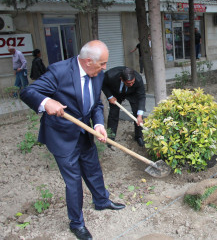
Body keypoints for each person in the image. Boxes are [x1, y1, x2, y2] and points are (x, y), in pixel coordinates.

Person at [20, 40, 125, 240]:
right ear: (87, 61)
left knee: (93, 168)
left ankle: (101, 201)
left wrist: (98, 124)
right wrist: (46, 101)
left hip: (84, 133)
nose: (105, 68)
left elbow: (95, 104)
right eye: (102, 64)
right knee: (74, 181)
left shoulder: (97, 74)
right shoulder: (59, 72)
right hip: (61, 136)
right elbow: (27, 92)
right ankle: (76, 224)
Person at [102, 66, 146, 147]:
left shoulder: (138, 79)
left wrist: (140, 115)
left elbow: (141, 97)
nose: (132, 84)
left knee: (138, 115)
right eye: (129, 83)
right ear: (122, 79)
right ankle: (110, 139)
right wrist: (109, 96)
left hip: (132, 93)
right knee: (113, 114)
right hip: (116, 93)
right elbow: (102, 84)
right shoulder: (110, 76)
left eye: (133, 82)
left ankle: (139, 136)